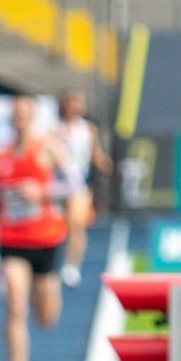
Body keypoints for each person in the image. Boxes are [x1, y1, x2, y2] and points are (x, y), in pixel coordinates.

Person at [0, 95, 70, 361]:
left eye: (25, 113)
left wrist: (42, 192)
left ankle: (39, 291)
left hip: (45, 240)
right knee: (15, 308)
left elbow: (75, 186)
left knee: (46, 319)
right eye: (15, 113)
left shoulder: (48, 149)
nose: (20, 118)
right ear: (10, 118)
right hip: (11, 240)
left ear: (33, 117)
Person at [54, 88, 112, 287]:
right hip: (57, 185)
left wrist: (105, 164)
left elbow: (95, 154)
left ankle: (72, 265)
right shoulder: (55, 130)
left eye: (79, 102)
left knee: (76, 224)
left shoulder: (88, 130)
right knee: (57, 226)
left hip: (79, 184)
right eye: (72, 102)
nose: (76, 106)